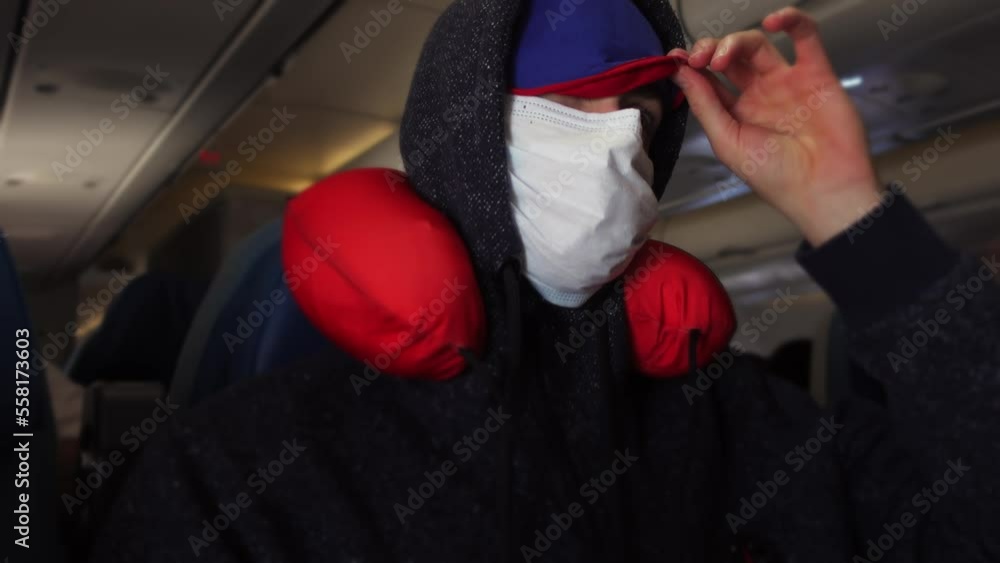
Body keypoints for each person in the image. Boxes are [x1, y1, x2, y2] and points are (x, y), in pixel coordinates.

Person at [91, 1, 1000, 562]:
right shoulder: (242, 473)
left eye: (642, 113)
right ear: (462, 135)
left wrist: (849, 215)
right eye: (569, 105)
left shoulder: (750, 431)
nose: (618, 145)